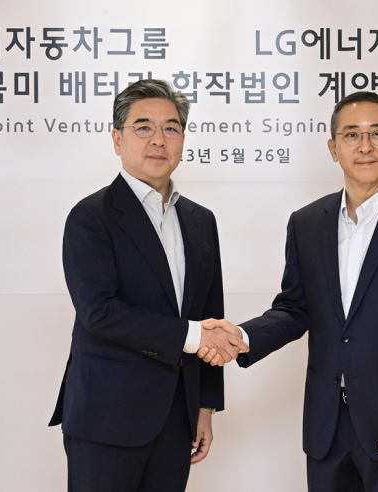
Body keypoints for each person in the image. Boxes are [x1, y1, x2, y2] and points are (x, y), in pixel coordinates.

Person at [200, 92, 378, 491]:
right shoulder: (306, 224)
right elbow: (294, 308)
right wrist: (243, 336)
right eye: (352, 135)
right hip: (326, 429)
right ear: (333, 148)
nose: (365, 146)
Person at [49, 79, 248, 492]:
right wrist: (193, 336)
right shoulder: (91, 216)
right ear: (117, 139)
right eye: (143, 127)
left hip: (178, 419)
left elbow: (209, 311)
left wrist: (206, 406)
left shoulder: (200, 220)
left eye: (171, 128)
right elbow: (99, 312)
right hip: (107, 418)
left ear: (182, 140)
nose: (159, 139)